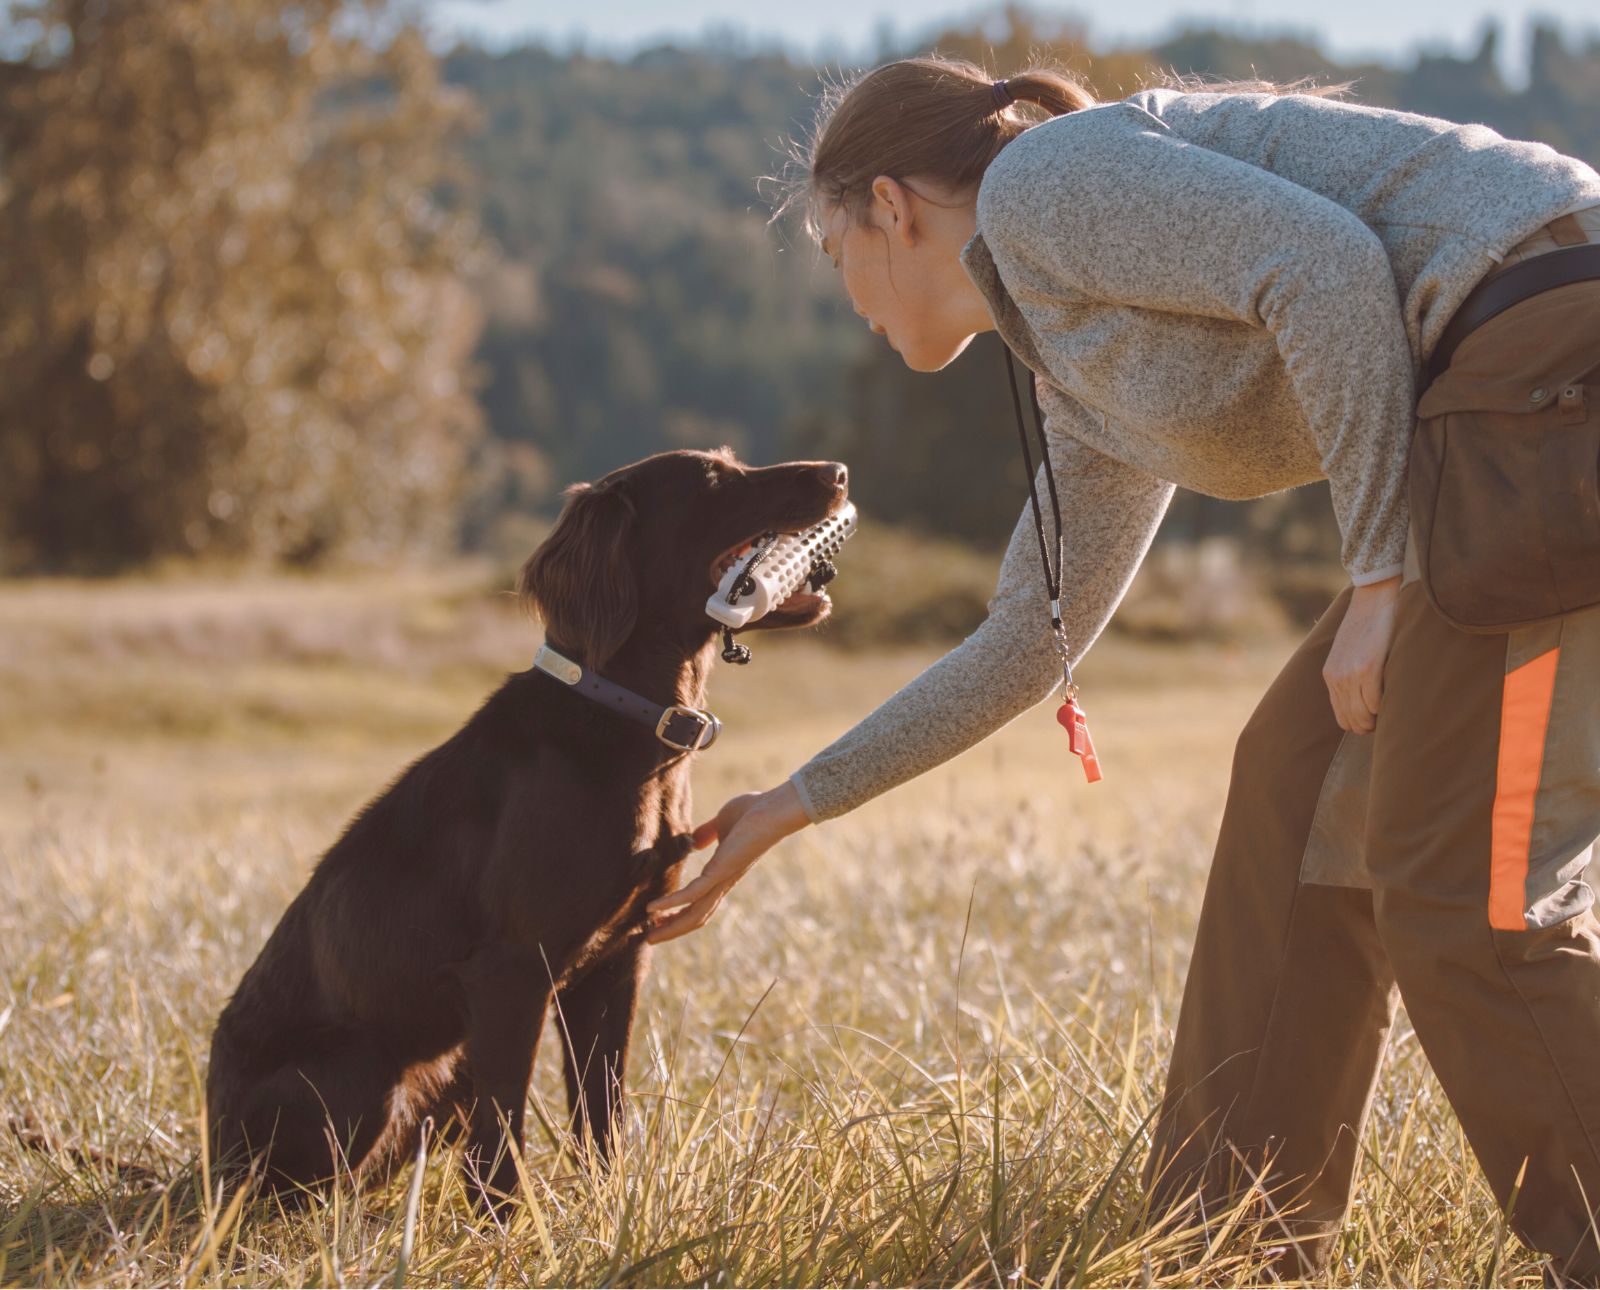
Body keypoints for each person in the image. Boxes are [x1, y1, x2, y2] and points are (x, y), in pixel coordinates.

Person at [643, 54, 1600, 1280]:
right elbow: (1022, 642)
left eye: (836, 259)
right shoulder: (1080, 361)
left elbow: (1328, 271)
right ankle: (1229, 1248)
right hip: (1503, 416)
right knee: (1294, 791)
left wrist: (1376, 582)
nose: (853, 306)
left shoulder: (1045, 183)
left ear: (895, 207)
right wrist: (783, 809)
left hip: (1550, 370)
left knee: (1463, 886)